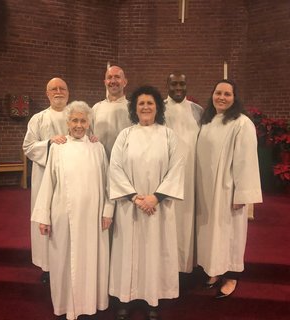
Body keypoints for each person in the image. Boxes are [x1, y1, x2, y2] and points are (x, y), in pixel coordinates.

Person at [31, 101, 114, 320]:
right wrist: (44, 216)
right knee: (63, 262)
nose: (78, 125)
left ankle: (91, 303)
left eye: (83, 120)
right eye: (74, 120)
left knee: (91, 260)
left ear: (89, 123)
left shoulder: (97, 147)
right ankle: (66, 306)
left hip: (93, 217)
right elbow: (48, 182)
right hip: (63, 216)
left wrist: (108, 210)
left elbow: (108, 183)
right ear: (67, 122)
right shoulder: (58, 148)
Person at [109, 86, 185, 320]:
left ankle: (153, 299)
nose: (145, 107)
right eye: (141, 103)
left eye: (150, 103)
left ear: (158, 107)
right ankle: (125, 297)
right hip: (130, 206)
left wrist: (156, 197)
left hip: (158, 207)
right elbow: (115, 168)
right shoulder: (125, 135)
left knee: (155, 251)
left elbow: (177, 167)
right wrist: (134, 196)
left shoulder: (168, 135)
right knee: (127, 251)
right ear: (134, 108)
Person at [195, 79, 262, 299]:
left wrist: (242, 193)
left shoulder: (242, 123)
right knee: (212, 234)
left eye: (227, 94)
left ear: (235, 98)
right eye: (218, 93)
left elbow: (247, 161)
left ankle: (231, 276)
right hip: (207, 190)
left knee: (230, 234)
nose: (221, 97)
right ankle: (215, 270)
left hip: (228, 190)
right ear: (212, 95)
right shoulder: (208, 121)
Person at [22, 77, 69, 282]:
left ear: (68, 92)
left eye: (62, 88)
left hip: (71, 178)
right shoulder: (38, 119)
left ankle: (68, 262)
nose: (58, 91)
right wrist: (49, 143)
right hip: (45, 178)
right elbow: (28, 147)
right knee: (47, 217)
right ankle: (48, 268)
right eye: (54, 89)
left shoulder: (77, 115)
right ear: (47, 93)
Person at [164, 72, 203, 275]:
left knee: (188, 221)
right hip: (167, 176)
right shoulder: (158, 109)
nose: (178, 88)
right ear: (167, 85)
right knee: (170, 222)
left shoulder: (198, 111)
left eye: (182, 84)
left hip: (191, 176)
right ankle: (168, 267)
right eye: (174, 84)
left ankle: (187, 267)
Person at [91, 65, 132, 159]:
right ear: (105, 82)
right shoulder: (96, 108)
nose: (113, 81)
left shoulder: (132, 108)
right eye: (109, 78)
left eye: (117, 77)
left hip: (124, 162)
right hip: (100, 161)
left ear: (125, 82)